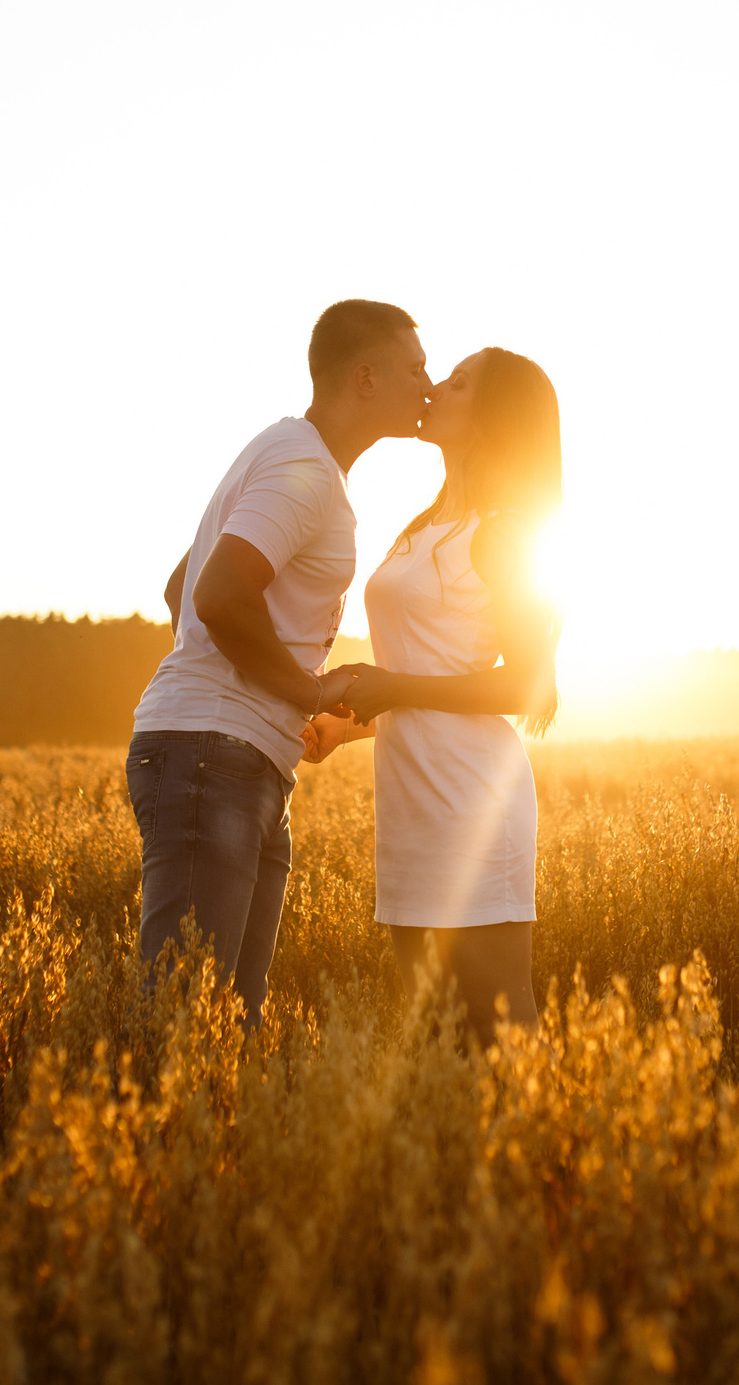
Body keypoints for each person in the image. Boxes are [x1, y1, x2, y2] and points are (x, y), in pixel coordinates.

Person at [127, 299, 432, 1028]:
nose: (429, 383)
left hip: (232, 756)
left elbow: (184, 585)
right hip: (213, 760)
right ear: (364, 378)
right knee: (180, 1027)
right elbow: (218, 592)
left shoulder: (294, 454)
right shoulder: (305, 466)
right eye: (414, 369)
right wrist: (302, 686)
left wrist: (258, 693)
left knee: (227, 1027)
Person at [303, 347, 561, 1045]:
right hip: (413, 803)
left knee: (499, 1021)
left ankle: (551, 1149)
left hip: (473, 800)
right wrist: (346, 725)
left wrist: (388, 687)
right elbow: (424, 670)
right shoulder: (422, 527)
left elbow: (528, 683)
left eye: (459, 382)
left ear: (489, 417)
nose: (437, 386)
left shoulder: (501, 532)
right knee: (436, 1034)